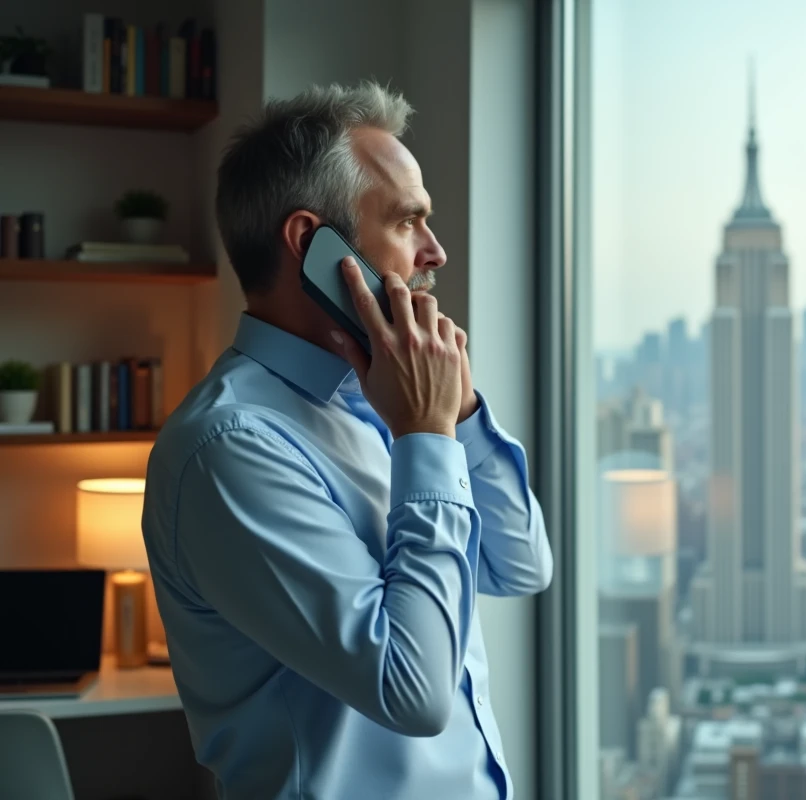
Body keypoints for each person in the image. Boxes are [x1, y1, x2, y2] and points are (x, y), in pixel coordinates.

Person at [141, 80, 552, 799]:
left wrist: (455, 413)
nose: (437, 252)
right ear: (313, 244)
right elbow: (412, 692)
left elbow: (520, 564)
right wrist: (426, 436)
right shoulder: (230, 449)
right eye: (408, 222)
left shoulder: (384, 399)